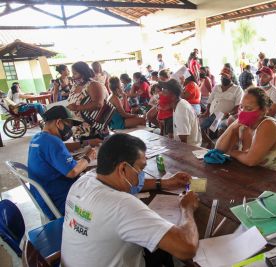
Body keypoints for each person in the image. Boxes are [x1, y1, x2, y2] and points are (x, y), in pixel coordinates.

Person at [61, 133, 199, 267]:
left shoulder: (84, 180)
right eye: (140, 168)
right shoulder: (121, 206)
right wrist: (187, 208)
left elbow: (126, 184)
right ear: (122, 168)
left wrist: (163, 183)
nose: (141, 175)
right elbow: (187, 248)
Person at [27, 106, 97, 219]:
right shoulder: (53, 142)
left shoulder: (38, 138)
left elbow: (61, 148)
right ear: (59, 122)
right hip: (61, 201)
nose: (70, 130)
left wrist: (84, 143)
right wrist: (88, 158)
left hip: (45, 198)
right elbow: (72, 172)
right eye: (68, 125)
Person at [215, 87, 276, 175]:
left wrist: (231, 152)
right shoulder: (241, 125)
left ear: (263, 111)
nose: (243, 112)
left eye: (249, 109)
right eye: (241, 107)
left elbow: (251, 160)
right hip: (258, 176)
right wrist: (233, 127)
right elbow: (219, 149)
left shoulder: (269, 125)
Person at [201, 67, 243, 146]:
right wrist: (206, 111)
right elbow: (209, 101)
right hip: (213, 115)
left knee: (220, 129)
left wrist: (229, 113)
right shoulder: (217, 87)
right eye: (222, 76)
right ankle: (210, 142)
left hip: (226, 116)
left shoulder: (237, 89)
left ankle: (219, 146)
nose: (223, 78)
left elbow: (238, 107)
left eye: (225, 76)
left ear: (231, 76)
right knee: (201, 126)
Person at [67, 61, 108, 140]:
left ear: (83, 73)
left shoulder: (93, 85)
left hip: (91, 127)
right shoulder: (75, 86)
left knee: (93, 150)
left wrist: (77, 108)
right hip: (77, 128)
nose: (73, 76)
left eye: (75, 73)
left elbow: (98, 104)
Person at [159, 79, 202, 147]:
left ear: (173, 96)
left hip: (190, 148)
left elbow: (184, 141)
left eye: (165, 92)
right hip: (186, 145)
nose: (161, 94)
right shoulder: (178, 103)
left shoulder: (181, 109)